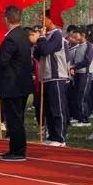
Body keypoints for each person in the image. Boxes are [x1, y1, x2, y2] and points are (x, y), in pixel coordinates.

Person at [0, 6, 34, 161]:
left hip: (13, 85)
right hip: (22, 84)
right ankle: (16, 149)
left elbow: (3, 61)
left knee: (14, 119)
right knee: (18, 118)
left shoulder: (11, 38)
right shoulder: (23, 35)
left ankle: (18, 151)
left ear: (6, 19)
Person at [33, 11, 70, 146]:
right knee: (48, 108)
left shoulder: (57, 35)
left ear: (51, 20)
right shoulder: (46, 36)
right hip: (46, 76)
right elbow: (37, 54)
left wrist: (41, 38)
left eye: (44, 18)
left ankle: (60, 137)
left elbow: (45, 50)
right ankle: (52, 134)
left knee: (57, 108)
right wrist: (40, 39)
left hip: (56, 76)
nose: (42, 20)